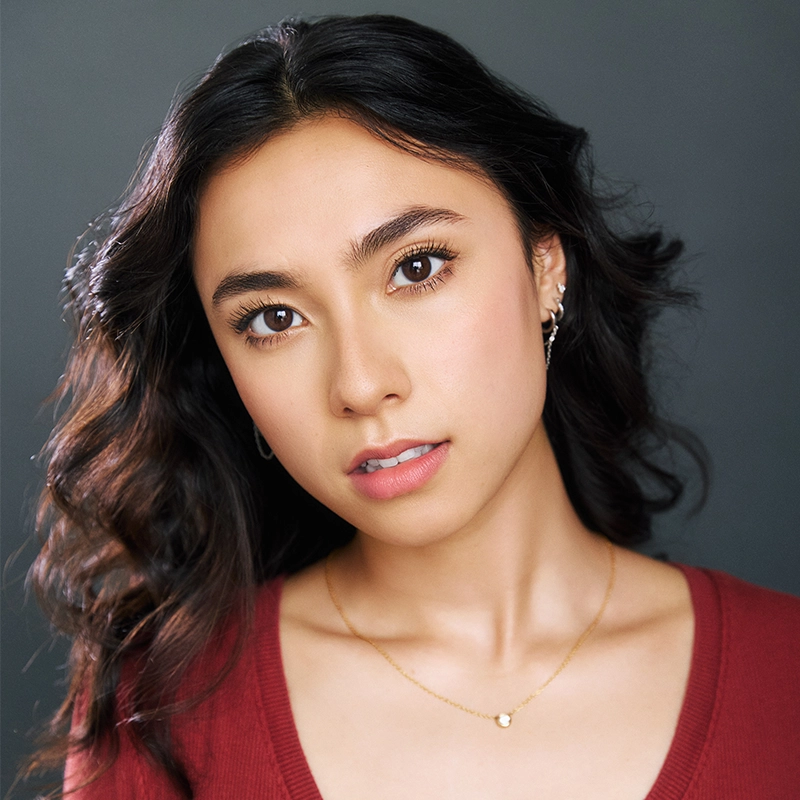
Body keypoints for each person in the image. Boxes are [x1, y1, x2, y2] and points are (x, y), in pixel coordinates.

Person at [22, 14, 799, 800]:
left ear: (546, 266)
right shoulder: (163, 718)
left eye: (417, 268)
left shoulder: (785, 679)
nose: (359, 385)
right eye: (273, 319)